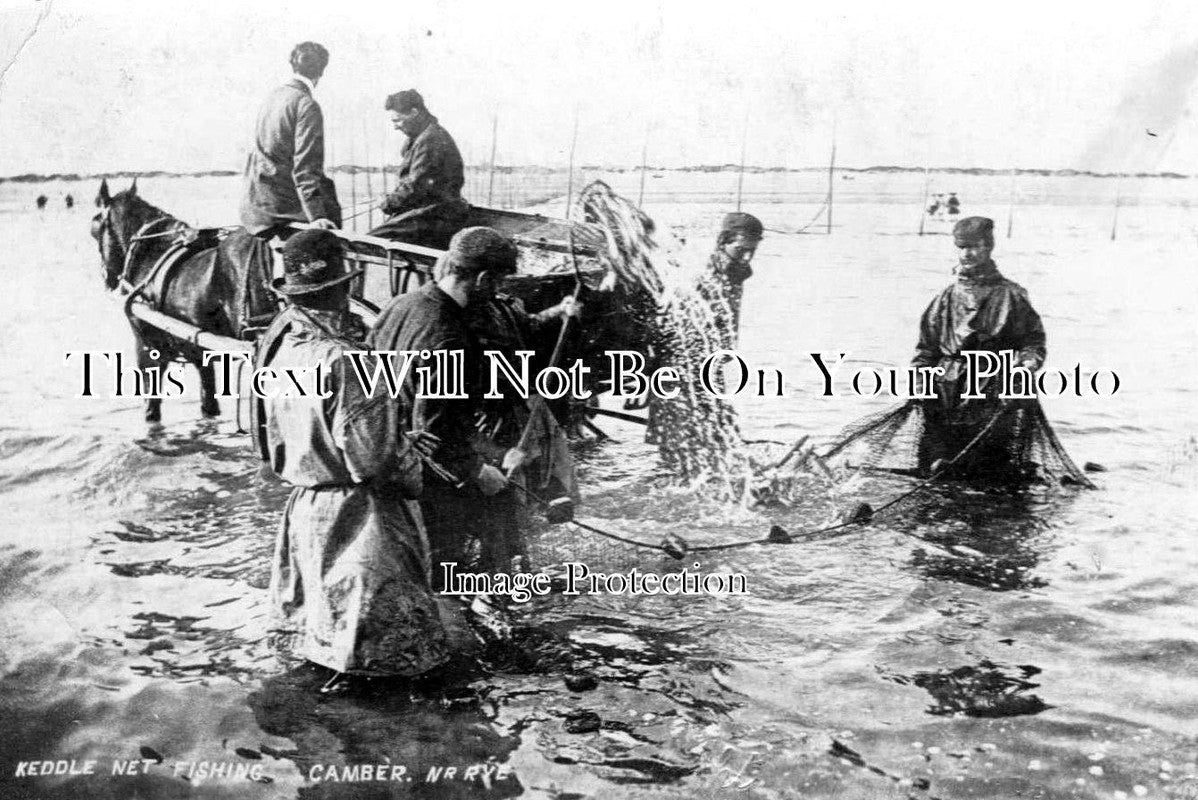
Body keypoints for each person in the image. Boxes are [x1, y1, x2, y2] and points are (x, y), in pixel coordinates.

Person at [255, 229, 446, 680]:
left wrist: (385, 440)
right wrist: (408, 456)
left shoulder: (280, 348)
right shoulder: (348, 362)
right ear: (346, 288)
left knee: (319, 649)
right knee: (391, 664)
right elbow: (376, 466)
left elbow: (282, 436)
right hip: (361, 521)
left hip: (305, 513)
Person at [368, 227, 526, 587]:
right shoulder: (449, 335)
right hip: (429, 479)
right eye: (498, 283)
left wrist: (494, 453)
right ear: (483, 278)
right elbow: (435, 426)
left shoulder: (401, 305)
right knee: (464, 566)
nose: (498, 294)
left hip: (388, 457)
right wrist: (478, 469)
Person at [911, 216, 1046, 478]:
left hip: (991, 391)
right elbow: (925, 350)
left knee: (987, 471)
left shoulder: (1012, 295)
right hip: (945, 391)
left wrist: (1025, 368)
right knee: (936, 471)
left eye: (975, 246)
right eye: (961, 247)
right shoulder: (945, 298)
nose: (967, 253)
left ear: (988, 247)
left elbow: (1032, 342)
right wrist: (920, 382)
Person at [240, 42, 342, 239]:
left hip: (254, 204)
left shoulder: (273, 96)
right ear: (321, 72)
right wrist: (317, 216)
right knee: (331, 216)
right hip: (280, 207)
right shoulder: (306, 104)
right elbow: (305, 168)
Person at [369, 89, 469, 249]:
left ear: (414, 112)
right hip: (432, 213)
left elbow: (416, 188)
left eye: (398, 120)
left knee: (368, 242)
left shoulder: (430, 140)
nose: (395, 127)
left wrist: (387, 203)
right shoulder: (424, 136)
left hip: (436, 216)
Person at [701, 211, 763, 349]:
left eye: (752, 251)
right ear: (723, 242)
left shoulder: (737, 272)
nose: (747, 257)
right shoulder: (703, 272)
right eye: (740, 249)